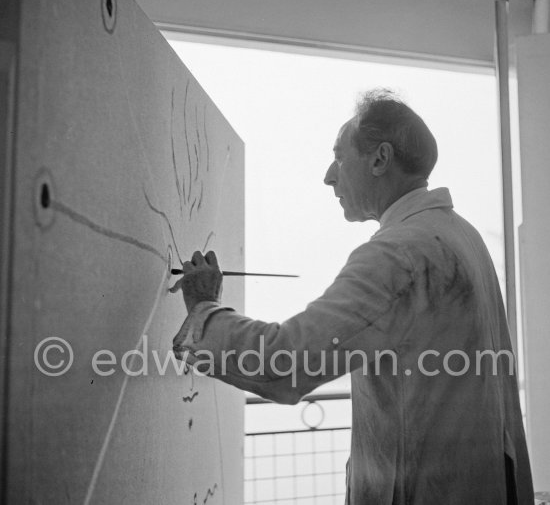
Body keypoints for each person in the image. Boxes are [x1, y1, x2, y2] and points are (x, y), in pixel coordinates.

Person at [171, 89, 533, 504]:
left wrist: (203, 310)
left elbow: (285, 362)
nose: (329, 175)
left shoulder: (399, 254)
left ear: (380, 159)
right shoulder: (460, 233)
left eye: (340, 156)